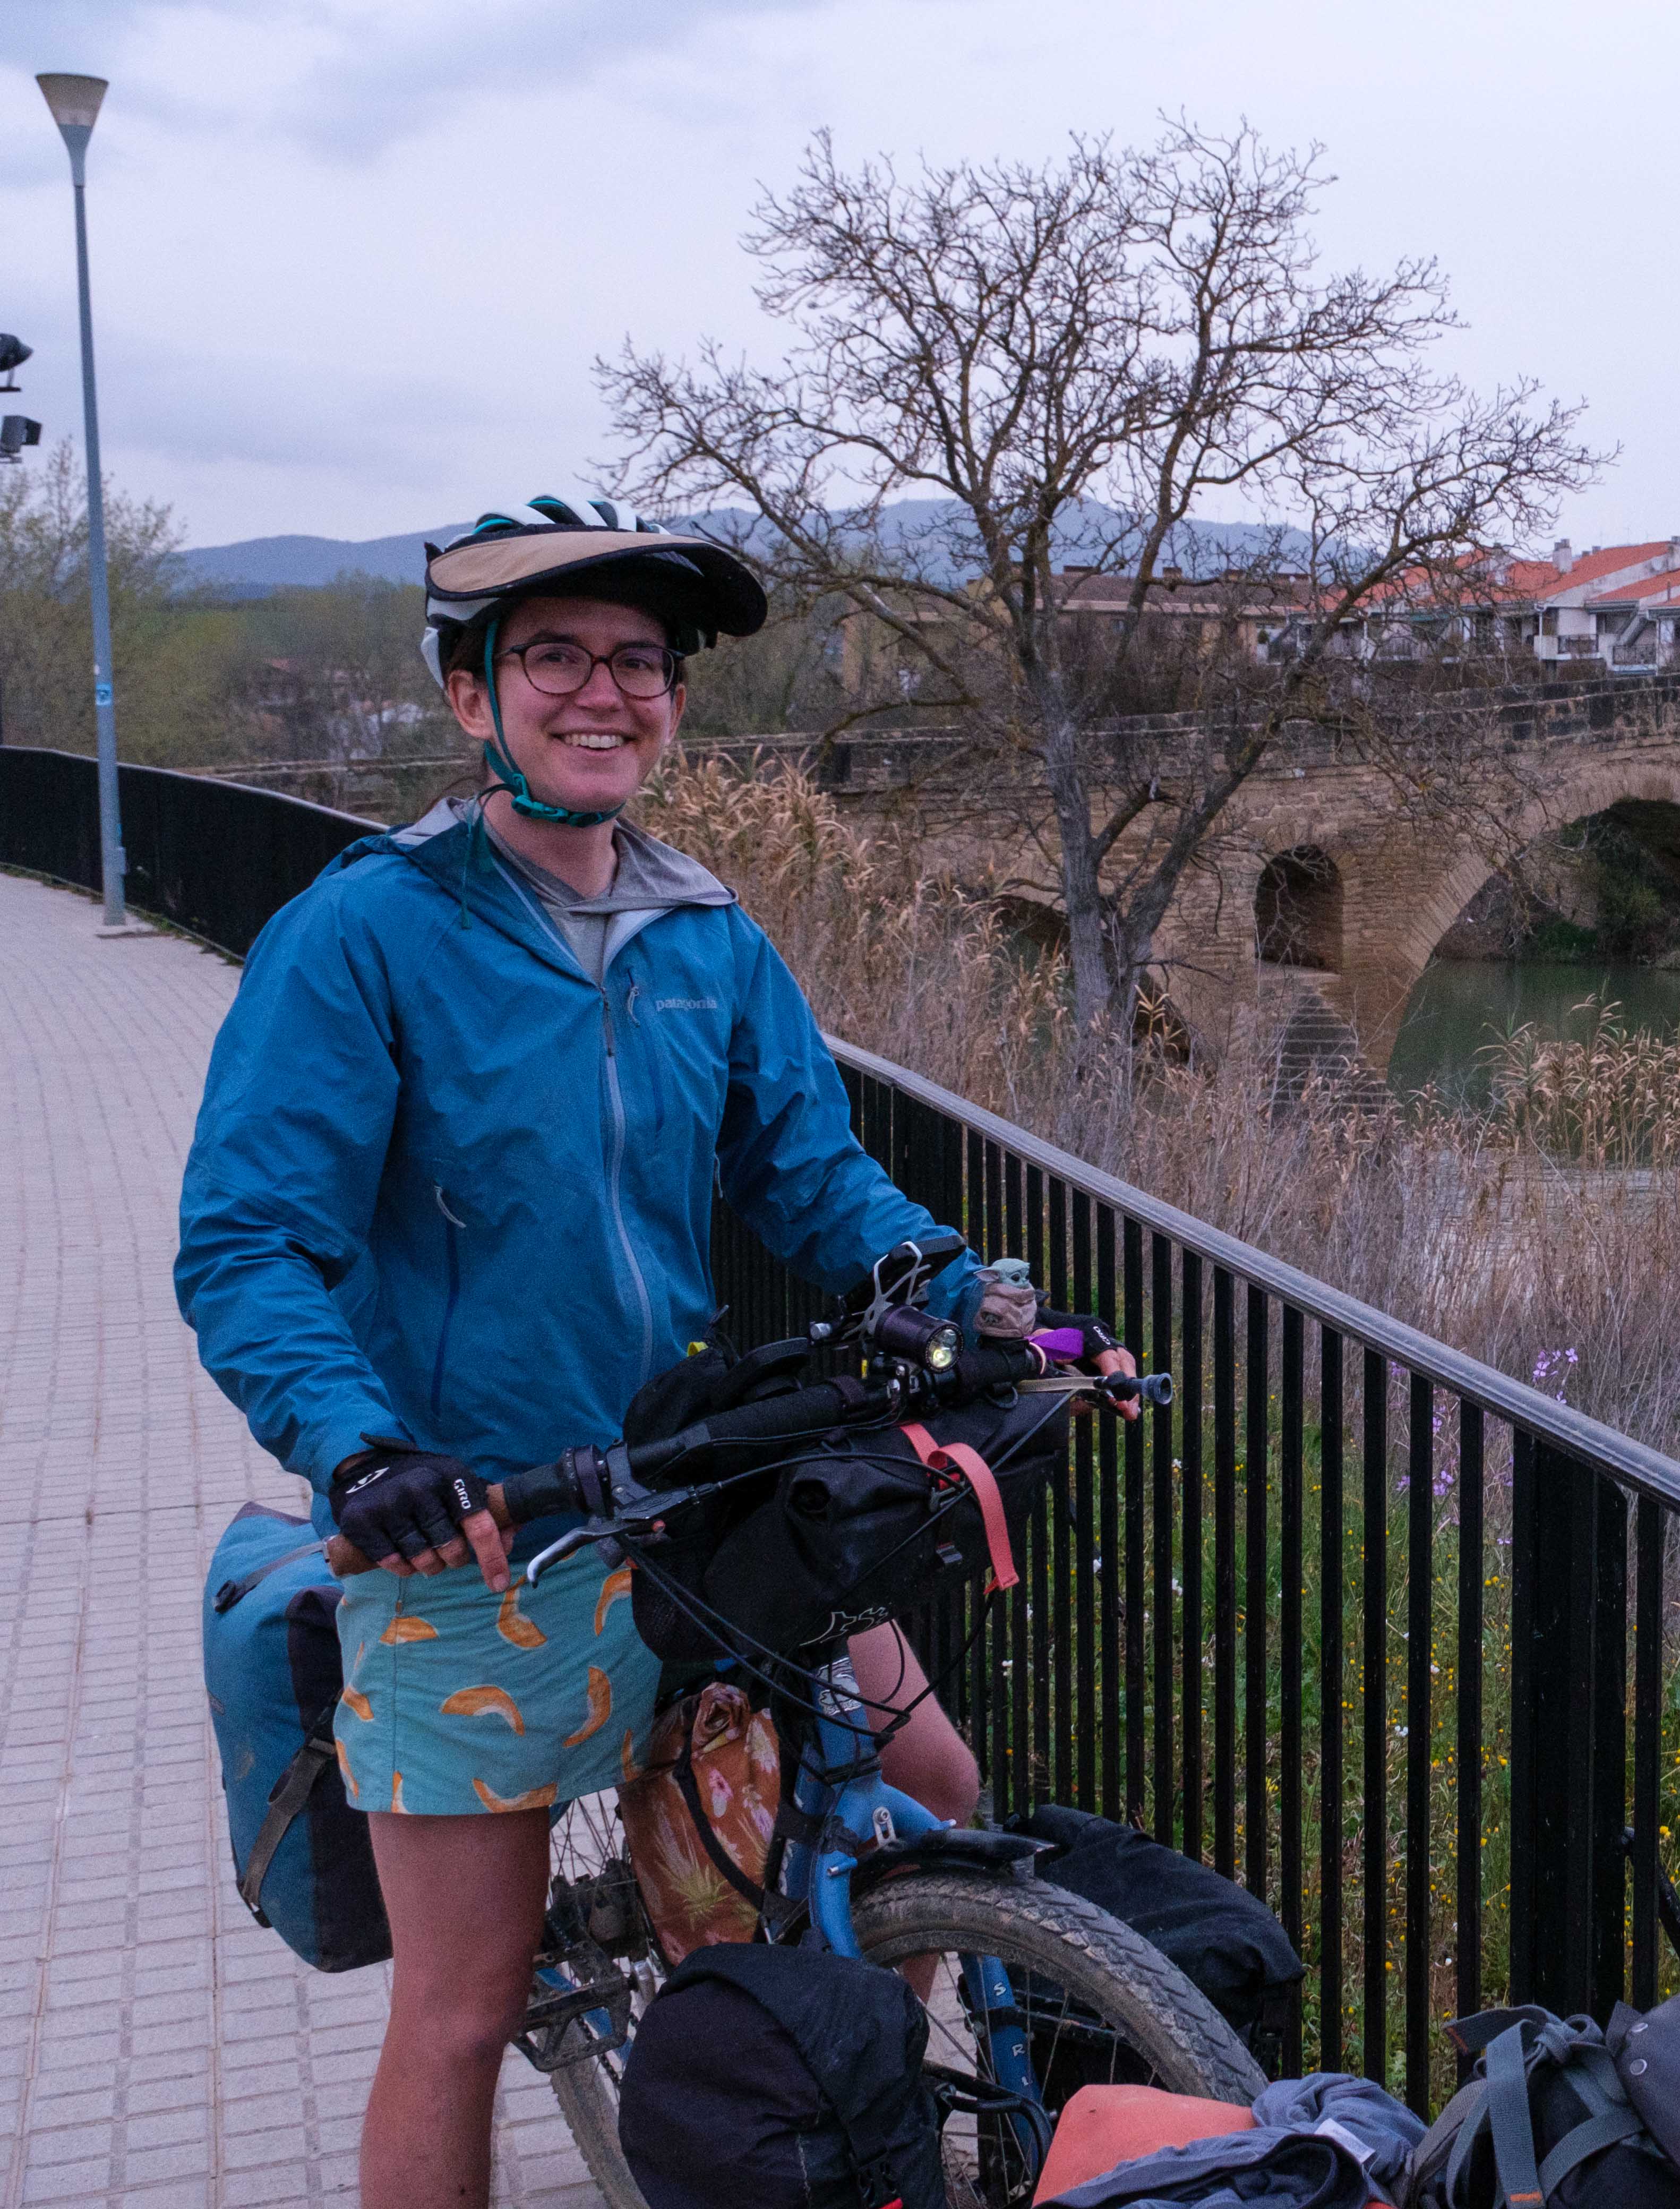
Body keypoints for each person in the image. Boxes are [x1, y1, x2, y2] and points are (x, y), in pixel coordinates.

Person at [174, 494, 1135, 2209]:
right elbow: (249, 1245)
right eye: (554, 657)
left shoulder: (705, 935)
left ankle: (786, 2130)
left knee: (923, 1792)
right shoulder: (370, 934)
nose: (604, 692)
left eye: (639, 662)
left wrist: (949, 1283)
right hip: (483, 1526)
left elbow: (814, 1173)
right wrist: (363, 1448)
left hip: (698, 1499)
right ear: (472, 696)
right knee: (459, 2012)